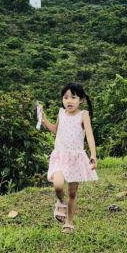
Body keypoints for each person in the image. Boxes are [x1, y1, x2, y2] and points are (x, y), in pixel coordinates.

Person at [39, 83, 98, 232]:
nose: (69, 101)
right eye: (65, 98)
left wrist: (93, 154)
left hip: (75, 158)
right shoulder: (61, 113)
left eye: (73, 97)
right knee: (58, 185)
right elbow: (55, 130)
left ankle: (69, 222)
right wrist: (44, 119)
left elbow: (89, 136)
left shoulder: (83, 115)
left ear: (81, 100)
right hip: (60, 155)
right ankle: (61, 203)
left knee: (72, 193)